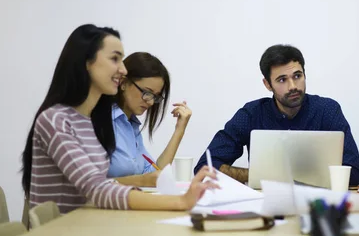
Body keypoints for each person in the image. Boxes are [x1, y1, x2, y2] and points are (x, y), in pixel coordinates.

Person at [21, 24, 217, 215]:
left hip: (89, 226)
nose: (123, 70)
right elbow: (98, 188)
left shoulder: (86, 121)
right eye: (115, 59)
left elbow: (144, 175)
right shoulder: (56, 120)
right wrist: (180, 201)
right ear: (87, 63)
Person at [194, 44, 359, 185]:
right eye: (282, 80)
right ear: (267, 84)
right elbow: (205, 168)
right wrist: (263, 177)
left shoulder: (327, 110)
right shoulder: (252, 114)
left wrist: (279, 177)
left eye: (297, 76)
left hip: (319, 203)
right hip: (265, 204)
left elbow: (353, 173)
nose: (292, 86)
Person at [108, 52, 192, 187]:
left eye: (156, 96)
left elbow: (155, 174)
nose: (151, 102)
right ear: (123, 82)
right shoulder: (99, 122)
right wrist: (141, 181)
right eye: (147, 92)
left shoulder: (132, 126)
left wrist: (179, 130)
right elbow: (88, 184)